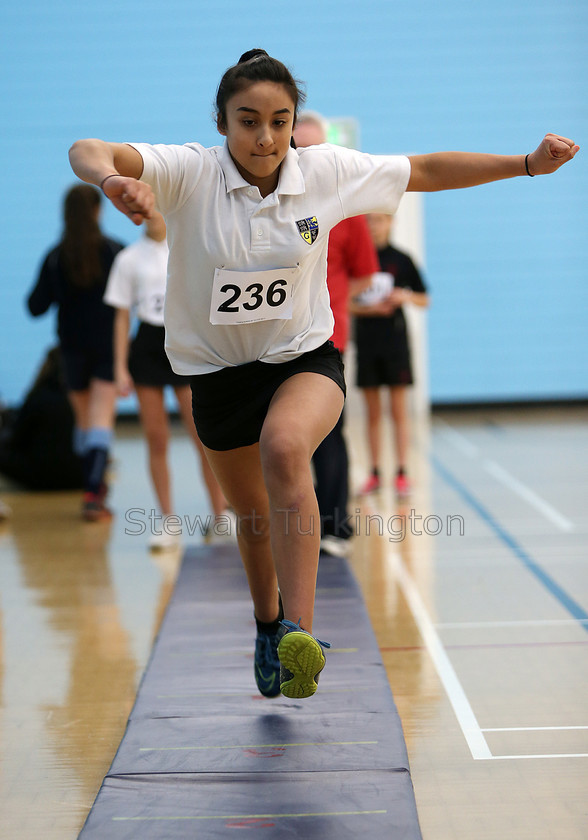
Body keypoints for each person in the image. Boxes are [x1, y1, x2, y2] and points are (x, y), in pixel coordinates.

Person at [68, 48, 578, 699]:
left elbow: (422, 169)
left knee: (286, 448)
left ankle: (297, 637)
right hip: (217, 375)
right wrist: (111, 181)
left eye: (280, 121)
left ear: (294, 124)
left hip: (303, 359)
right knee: (251, 519)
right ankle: (266, 623)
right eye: (248, 120)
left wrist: (526, 165)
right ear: (221, 121)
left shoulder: (325, 172)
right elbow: (87, 147)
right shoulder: (190, 172)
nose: (265, 136)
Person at [104, 211, 231, 550]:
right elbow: (120, 317)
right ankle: (168, 521)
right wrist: (119, 367)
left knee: (202, 436)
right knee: (156, 439)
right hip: (147, 347)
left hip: (183, 342)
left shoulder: (187, 248)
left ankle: (220, 516)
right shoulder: (128, 259)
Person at [293, 111, 379, 557]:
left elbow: (364, 274)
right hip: (274, 341)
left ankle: (333, 526)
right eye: (299, 149)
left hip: (329, 340)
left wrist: (333, 300)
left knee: (329, 433)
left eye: (315, 150)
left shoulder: (349, 210)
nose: (307, 158)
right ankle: (282, 523)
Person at [27, 185, 124, 521]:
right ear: (98, 211)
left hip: (71, 352)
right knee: (101, 421)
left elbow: (34, 306)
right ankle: (92, 495)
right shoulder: (114, 253)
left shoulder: (55, 257)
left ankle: (91, 488)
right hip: (107, 350)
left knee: (83, 424)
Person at [352, 213, 429, 497]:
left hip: (395, 344)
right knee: (373, 413)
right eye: (371, 221)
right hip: (367, 343)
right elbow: (343, 301)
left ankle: (401, 472)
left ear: (391, 222)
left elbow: (424, 298)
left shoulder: (402, 259)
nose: (375, 226)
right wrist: (370, 309)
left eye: (381, 220)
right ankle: (374, 473)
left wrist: (404, 297)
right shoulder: (358, 260)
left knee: (398, 411)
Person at [0, 346, 84, 490]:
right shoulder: (85, 397)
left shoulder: (40, 395)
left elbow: (16, 439)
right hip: (80, 478)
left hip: (42, 479)